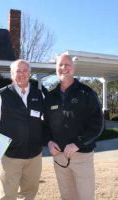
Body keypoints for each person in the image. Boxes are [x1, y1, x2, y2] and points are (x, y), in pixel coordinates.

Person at [0, 59, 44, 200]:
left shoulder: (39, 94)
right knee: (7, 195)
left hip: (34, 156)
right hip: (10, 156)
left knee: (29, 193)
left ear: (30, 73)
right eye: (18, 71)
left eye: (25, 70)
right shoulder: (1, 95)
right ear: (11, 74)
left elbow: (47, 120)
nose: (22, 74)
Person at [44, 54, 104, 200]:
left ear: (74, 68)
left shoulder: (87, 93)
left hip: (81, 156)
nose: (63, 68)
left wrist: (78, 143)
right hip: (59, 157)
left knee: (85, 196)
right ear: (56, 69)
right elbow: (45, 125)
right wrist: (49, 142)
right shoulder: (50, 96)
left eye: (67, 64)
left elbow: (98, 124)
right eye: (60, 65)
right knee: (67, 196)